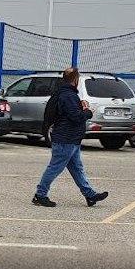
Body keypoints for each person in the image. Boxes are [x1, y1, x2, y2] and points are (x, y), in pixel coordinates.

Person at [32, 67, 110, 208]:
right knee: (54, 168)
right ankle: (40, 195)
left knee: (77, 168)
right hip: (65, 139)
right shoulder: (68, 96)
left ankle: (90, 195)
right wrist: (87, 112)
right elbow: (75, 117)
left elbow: (69, 113)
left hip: (70, 139)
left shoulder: (64, 94)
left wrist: (80, 107)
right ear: (76, 79)